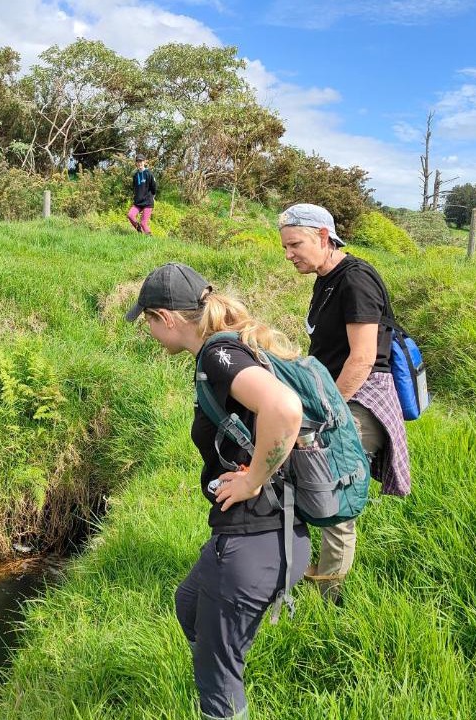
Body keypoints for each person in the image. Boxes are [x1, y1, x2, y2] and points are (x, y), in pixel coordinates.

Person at [125, 262, 311, 720]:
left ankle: (222, 666)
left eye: (147, 321)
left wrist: (252, 479)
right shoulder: (231, 347)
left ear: (165, 318)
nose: (148, 332)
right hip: (270, 531)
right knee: (188, 605)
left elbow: (284, 408)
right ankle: (221, 642)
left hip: (257, 540)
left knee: (218, 686)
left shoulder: (217, 356)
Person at [277, 203, 411, 605]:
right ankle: (303, 570)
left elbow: (363, 358)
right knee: (307, 482)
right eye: (284, 247)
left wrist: (328, 413)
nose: (289, 254)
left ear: (323, 236)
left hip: (360, 397)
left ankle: (329, 597)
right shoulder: (326, 278)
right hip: (333, 395)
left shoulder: (356, 279)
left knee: (335, 494)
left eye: (295, 245)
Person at [127, 154, 157, 234]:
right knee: (130, 215)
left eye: (141, 161)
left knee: (143, 223)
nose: (139, 163)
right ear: (136, 163)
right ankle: (139, 231)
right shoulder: (135, 175)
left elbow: (154, 187)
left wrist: (153, 197)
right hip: (138, 202)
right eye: (138, 161)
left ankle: (150, 238)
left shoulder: (149, 173)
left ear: (144, 162)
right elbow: (134, 188)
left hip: (148, 202)